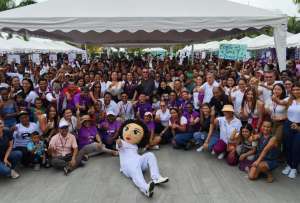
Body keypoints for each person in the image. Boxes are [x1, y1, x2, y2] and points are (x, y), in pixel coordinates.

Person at [116, 119, 168, 198]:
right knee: (136, 170)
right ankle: (146, 189)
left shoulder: (135, 145)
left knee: (150, 155)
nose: (130, 134)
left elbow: (145, 147)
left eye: (135, 132)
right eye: (127, 129)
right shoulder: (122, 142)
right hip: (128, 165)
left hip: (138, 160)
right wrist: (118, 142)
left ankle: (156, 177)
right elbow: (119, 146)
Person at [281, 82, 300, 179]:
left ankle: (294, 168)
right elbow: (280, 102)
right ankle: (289, 164)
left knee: (296, 148)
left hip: (298, 127)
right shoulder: (290, 100)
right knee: (287, 146)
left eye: (298, 89)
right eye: (294, 90)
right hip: (288, 124)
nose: (296, 91)